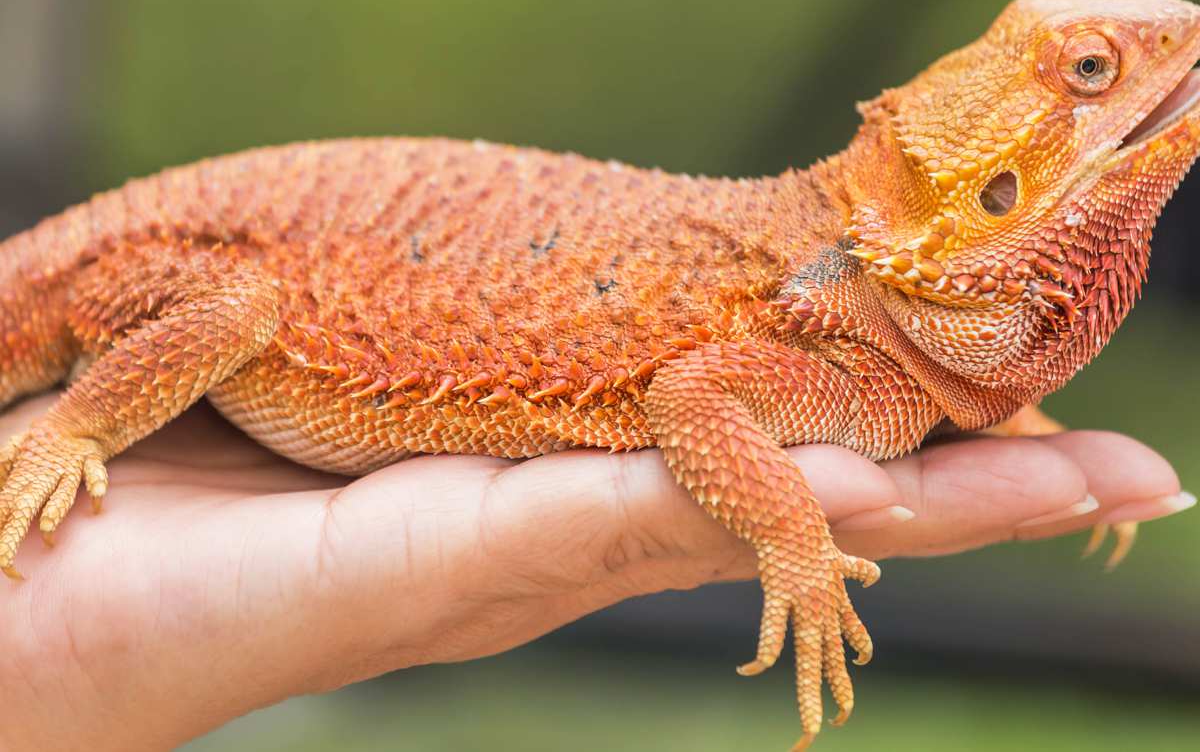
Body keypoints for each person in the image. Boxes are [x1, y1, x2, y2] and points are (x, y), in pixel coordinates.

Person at [0, 392, 1190, 750]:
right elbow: (693, 401)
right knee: (239, 295)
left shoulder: (859, 302)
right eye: (1085, 73)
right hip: (240, 297)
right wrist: (789, 537)